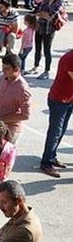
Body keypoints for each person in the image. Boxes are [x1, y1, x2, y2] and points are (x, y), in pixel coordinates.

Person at [40, 47, 73, 178]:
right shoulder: (69, 59)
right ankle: (46, 162)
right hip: (58, 100)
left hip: (68, 99)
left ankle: (51, 156)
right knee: (55, 131)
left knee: (61, 130)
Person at [0, 54, 31, 145]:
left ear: (16, 69)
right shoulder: (3, 78)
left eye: (7, 68)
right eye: (3, 67)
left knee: (4, 157)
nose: (3, 71)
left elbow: (25, 115)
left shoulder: (22, 88)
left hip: (11, 130)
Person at [33, 0, 64, 80]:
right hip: (40, 26)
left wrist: (44, 14)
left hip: (49, 29)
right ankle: (35, 66)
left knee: (47, 50)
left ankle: (47, 71)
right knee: (37, 48)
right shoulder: (45, 1)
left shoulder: (59, 1)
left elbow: (51, 16)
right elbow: (38, 12)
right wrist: (43, 14)